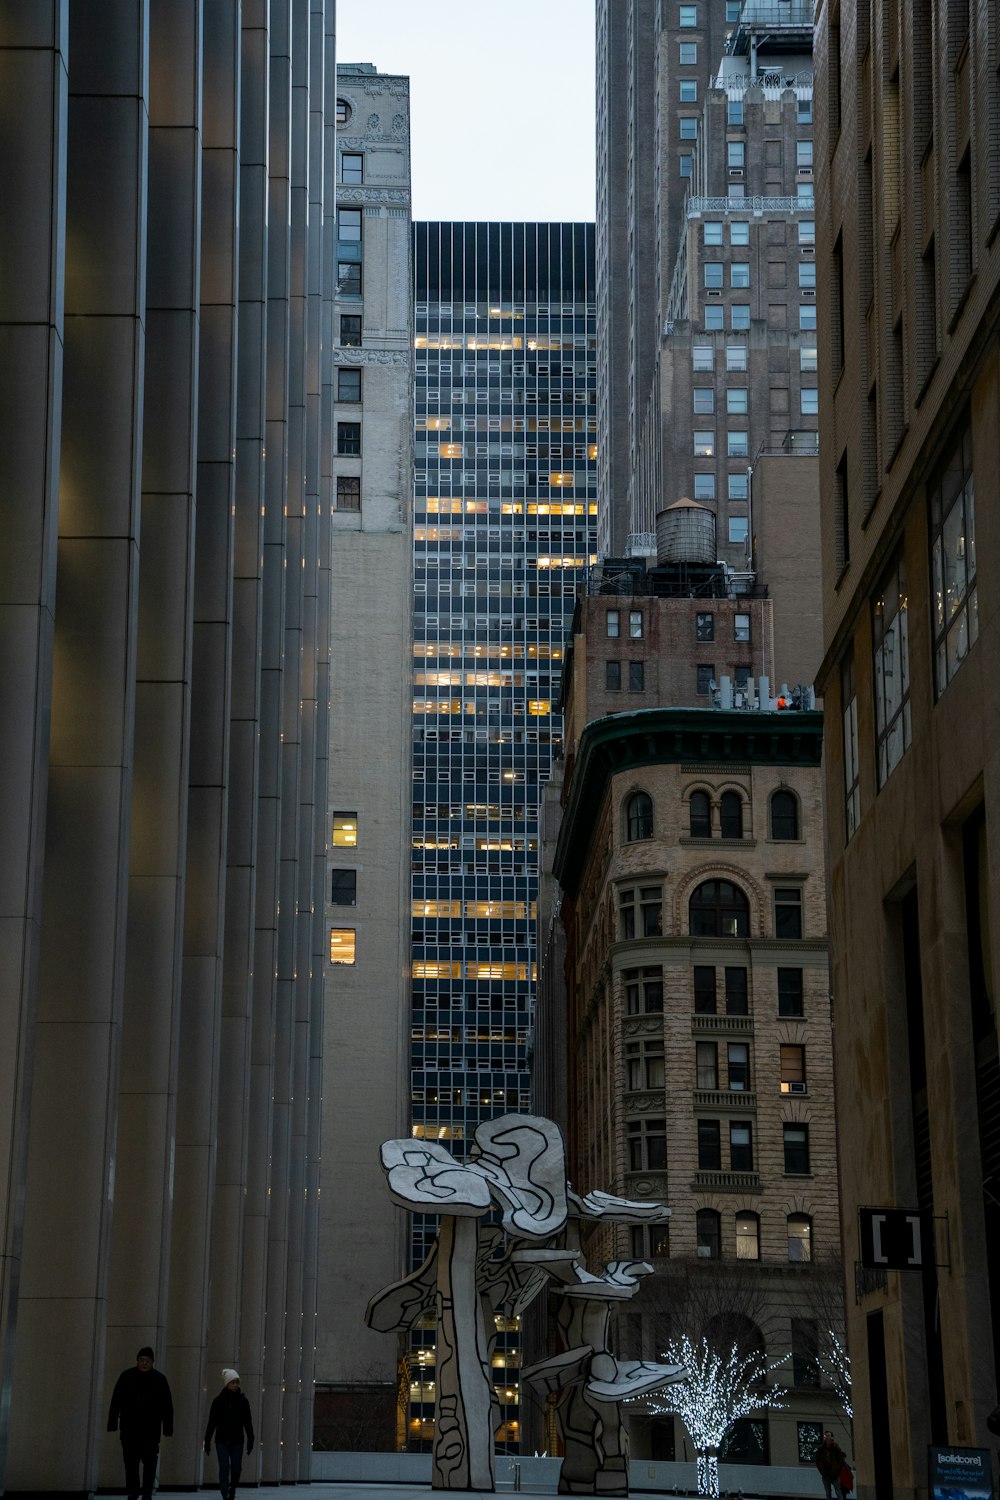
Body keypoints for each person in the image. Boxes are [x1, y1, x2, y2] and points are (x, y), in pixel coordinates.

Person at [107, 1346, 174, 1500]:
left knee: (150, 1462)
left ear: (152, 1362)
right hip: (130, 1427)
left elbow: (167, 1405)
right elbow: (116, 1400)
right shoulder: (126, 1377)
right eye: (141, 1360)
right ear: (137, 1361)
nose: (144, 1363)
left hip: (151, 1429)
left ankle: (146, 1492)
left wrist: (168, 1426)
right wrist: (112, 1421)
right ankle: (133, 1490)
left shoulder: (160, 1379)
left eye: (147, 1361)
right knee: (130, 1462)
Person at [204, 1367, 255, 1500]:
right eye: (233, 1382)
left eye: (237, 1382)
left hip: (237, 1440)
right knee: (224, 1467)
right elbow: (212, 1422)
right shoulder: (218, 1401)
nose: (235, 1385)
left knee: (237, 1468)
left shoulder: (243, 1401)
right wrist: (207, 1440)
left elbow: (247, 1421)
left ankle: (233, 1488)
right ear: (227, 1383)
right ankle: (224, 1492)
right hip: (221, 1440)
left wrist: (251, 1438)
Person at [814, 1429, 848, 1500]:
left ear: (831, 1437)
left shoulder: (836, 1448)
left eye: (828, 1435)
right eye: (825, 1436)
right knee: (828, 1492)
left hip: (834, 1474)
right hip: (825, 1474)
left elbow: (841, 1460)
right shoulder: (821, 1449)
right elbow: (817, 1460)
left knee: (838, 1491)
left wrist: (836, 1471)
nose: (827, 1437)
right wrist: (822, 1471)